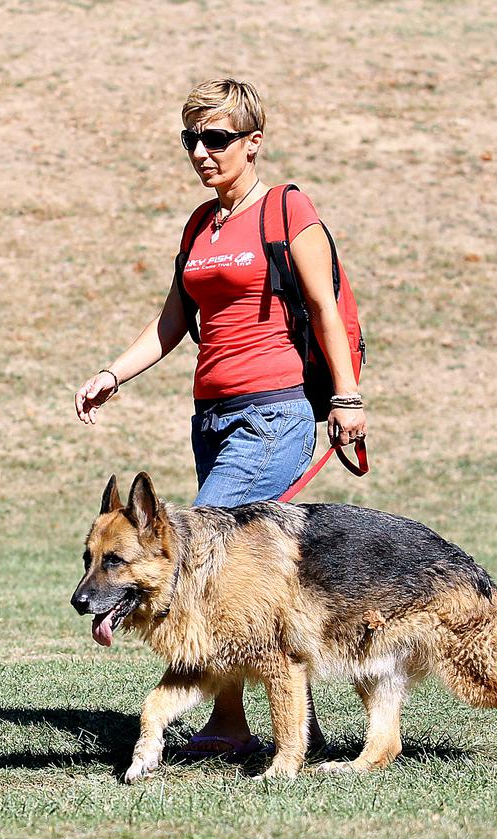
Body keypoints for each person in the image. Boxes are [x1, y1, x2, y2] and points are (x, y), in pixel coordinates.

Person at [73, 78, 367, 759]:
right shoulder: (200, 226)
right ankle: (266, 723)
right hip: (212, 417)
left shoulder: (288, 211)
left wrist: (347, 399)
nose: (202, 153)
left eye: (217, 139)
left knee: (197, 555)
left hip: (275, 413)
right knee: (243, 583)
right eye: (191, 141)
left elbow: (324, 307)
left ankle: (234, 720)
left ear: (253, 142)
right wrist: (112, 373)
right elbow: (174, 321)